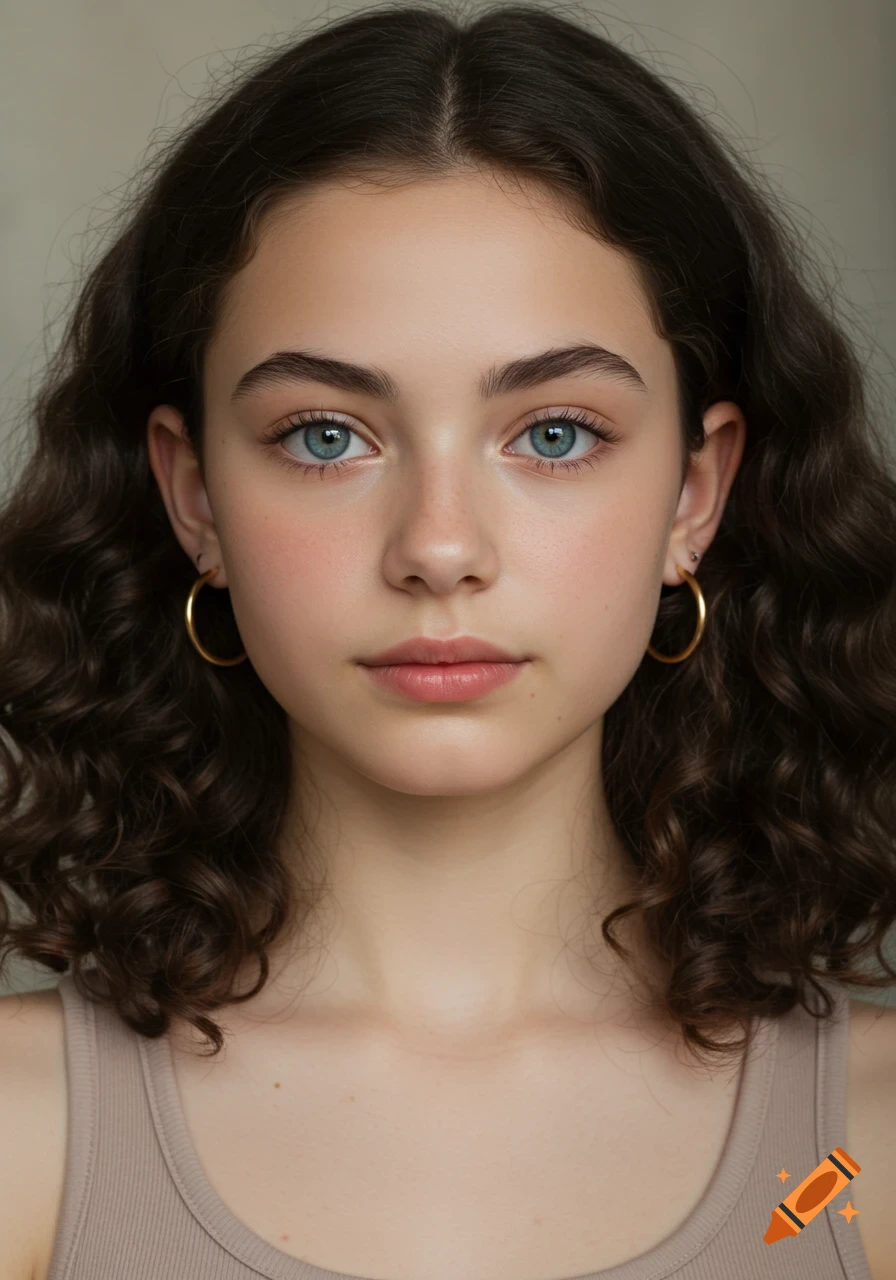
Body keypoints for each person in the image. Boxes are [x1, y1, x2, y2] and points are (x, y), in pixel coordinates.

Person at [1, 4, 895, 1279]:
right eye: (324, 435)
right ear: (192, 494)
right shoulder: (21, 1135)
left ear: (694, 494)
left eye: (552, 433)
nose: (436, 547)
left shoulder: (852, 1163)